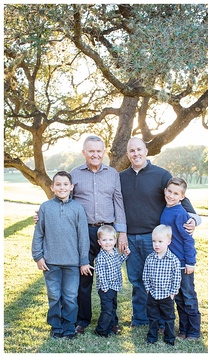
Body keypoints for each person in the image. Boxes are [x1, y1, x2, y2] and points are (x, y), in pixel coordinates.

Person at [119, 137, 199, 328]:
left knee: (159, 280)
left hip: (154, 239)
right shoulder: (120, 177)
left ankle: (163, 320)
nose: (136, 153)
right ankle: (140, 319)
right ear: (127, 154)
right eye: (132, 151)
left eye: (139, 149)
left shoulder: (161, 175)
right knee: (137, 280)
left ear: (146, 151)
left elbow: (181, 198)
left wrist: (194, 219)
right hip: (130, 237)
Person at [70, 135, 127, 334]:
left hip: (108, 233)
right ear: (84, 153)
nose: (95, 154)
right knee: (84, 278)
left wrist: (122, 233)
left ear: (104, 152)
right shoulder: (74, 174)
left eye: (98, 151)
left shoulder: (113, 174)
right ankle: (82, 320)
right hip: (84, 231)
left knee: (111, 277)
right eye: (91, 151)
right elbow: (65, 202)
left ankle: (112, 321)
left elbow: (118, 202)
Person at [31, 171, 90, 340]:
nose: (62, 187)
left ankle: (69, 326)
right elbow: (39, 234)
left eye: (65, 184)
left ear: (71, 187)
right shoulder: (45, 207)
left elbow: (83, 236)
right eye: (58, 184)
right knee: (54, 295)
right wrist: (38, 256)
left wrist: (84, 260)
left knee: (71, 296)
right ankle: (56, 326)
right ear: (52, 187)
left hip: (72, 262)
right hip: (50, 262)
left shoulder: (78, 208)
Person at [161, 177, 202, 340]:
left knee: (188, 296)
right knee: (178, 298)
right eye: (169, 191)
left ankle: (194, 330)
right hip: (171, 264)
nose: (171, 195)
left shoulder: (180, 214)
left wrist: (190, 262)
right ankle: (183, 329)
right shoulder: (166, 210)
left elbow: (188, 240)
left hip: (183, 265)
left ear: (182, 197)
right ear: (165, 191)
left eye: (176, 193)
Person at [143, 225, 182, 346]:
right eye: (154, 241)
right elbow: (145, 274)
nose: (157, 245)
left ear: (168, 241)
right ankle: (152, 337)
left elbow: (176, 278)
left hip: (166, 295)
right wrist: (148, 289)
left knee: (169, 318)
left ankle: (169, 338)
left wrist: (172, 292)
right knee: (152, 317)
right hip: (153, 294)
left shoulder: (173, 260)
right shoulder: (150, 258)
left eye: (160, 241)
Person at [93, 225, 130, 337]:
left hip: (114, 286)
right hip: (106, 288)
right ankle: (101, 330)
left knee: (113, 307)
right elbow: (101, 273)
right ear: (99, 242)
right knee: (107, 310)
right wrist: (104, 287)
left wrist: (125, 255)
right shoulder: (101, 257)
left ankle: (112, 325)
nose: (108, 243)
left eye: (110, 240)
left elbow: (118, 262)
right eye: (104, 240)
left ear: (115, 240)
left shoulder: (114, 252)